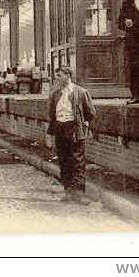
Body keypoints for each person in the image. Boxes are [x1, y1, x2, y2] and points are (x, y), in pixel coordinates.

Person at [47, 66, 95, 203]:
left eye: (60, 75)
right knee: (63, 160)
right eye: (56, 76)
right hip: (60, 127)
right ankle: (68, 191)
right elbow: (51, 113)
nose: (57, 79)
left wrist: (84, 124)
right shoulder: (55, 94)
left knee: (77, 160)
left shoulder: (80, 92)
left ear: (68, 75)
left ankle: (79, 193)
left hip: (74, 128)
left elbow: (91, 112)